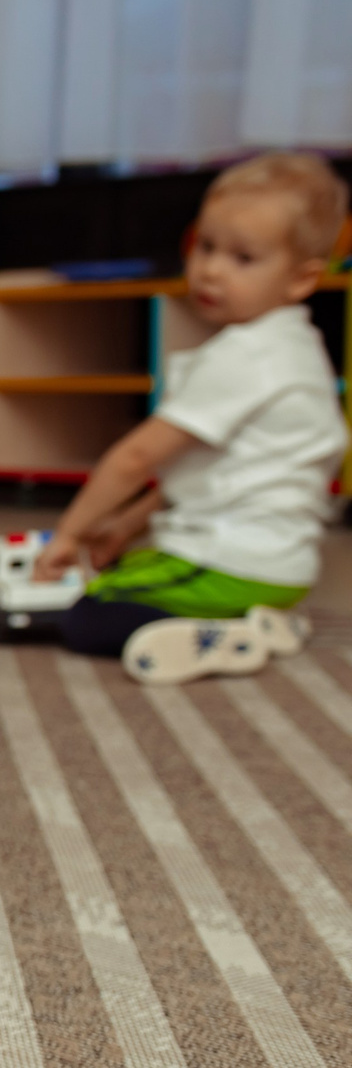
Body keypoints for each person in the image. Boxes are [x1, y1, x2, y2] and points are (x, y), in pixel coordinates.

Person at [30, 151, 346, 685]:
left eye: (243, 259)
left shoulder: (245, 356)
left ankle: (227, 636)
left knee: (87, 614)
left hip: (233, 561)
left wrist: (68, 532)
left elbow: (136, 458)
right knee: (120, 571)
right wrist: (126, 527)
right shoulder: (296, 345)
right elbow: (204, 469)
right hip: (280, 570)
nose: (211, 269)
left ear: (299, 280)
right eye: (205, 246)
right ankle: (263, 616)